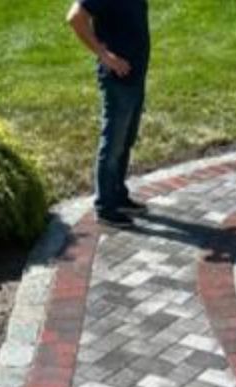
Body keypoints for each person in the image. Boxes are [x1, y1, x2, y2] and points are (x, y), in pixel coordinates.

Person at [67, 0, 150, 227]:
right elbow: (75, 18)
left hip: (135, 74)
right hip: (117, 79)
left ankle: (117, 194)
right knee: (113, 142)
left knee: (126, 140)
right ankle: (105, 206)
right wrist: (105, 55)